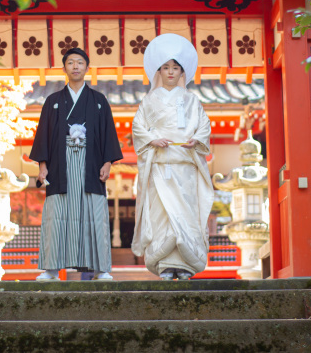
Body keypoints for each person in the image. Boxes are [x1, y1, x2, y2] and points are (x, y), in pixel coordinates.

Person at [29, 47, 123, 281]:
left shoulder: (99, 101)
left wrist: (107, 162)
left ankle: (101, 269)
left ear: (87, 68)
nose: (75, 67)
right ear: (64, 68)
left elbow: (108, 134)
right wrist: (42, 165)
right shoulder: (52, 101)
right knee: (57, 215)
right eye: (71, 62)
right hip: (60, 166)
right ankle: (51, 269)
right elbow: (43, 135)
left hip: (91, 165)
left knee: (94, 215)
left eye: (80, 62)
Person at [131, 33, 214, 280]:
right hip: (160, 167)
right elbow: (138, 127)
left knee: (186, 214)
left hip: (185, 167)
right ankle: (165, 264)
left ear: (182, 72)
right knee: (162, 215)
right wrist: (152, 140)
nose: (170, 72)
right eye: (166, 67)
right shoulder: (149, 100)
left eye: (175, 68)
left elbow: (204, 126)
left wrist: (196, 140)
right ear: (159, 71)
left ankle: (186, 265)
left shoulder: (192, 100)